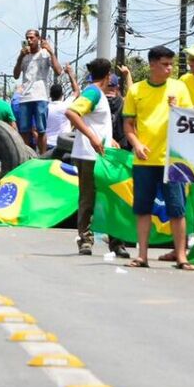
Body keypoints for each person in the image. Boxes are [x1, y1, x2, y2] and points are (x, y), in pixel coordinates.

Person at [123, 45, 194, 269]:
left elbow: (190, 121)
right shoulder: (136, 90)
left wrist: (177, 109)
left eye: (171, 64)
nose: (169, 69)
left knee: (177, 208)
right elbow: (128, 125)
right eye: (164, 64)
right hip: (145, 160)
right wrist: (136, 144)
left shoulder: (179, 88)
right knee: (143, 208)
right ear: (152, 64)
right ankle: (142, 255)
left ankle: (181, 256)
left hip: (172, 160)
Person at [65, 58, 114, 255]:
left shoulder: (97, 94)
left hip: (100, 155)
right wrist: (93, 137)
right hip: (89, 155)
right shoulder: (93, 92)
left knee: (109, 198)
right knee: (89, 199)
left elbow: (97, 123)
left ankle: (115, 242)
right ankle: (85, 239)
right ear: (108, 75)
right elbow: (72, 112)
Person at [12, 29, 63, 153]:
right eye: (27, 38)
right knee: (24, 130)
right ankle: (25, 156)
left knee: (41, 130)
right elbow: (16, 75)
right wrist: (20, 57)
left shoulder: (45, 54)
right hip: (25, 97)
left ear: (38, 39)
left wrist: (51, 51)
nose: (29, 40)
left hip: (41, 96)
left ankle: (42, 156)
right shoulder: (24, 56)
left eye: (32, 38)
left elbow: (58, 71)